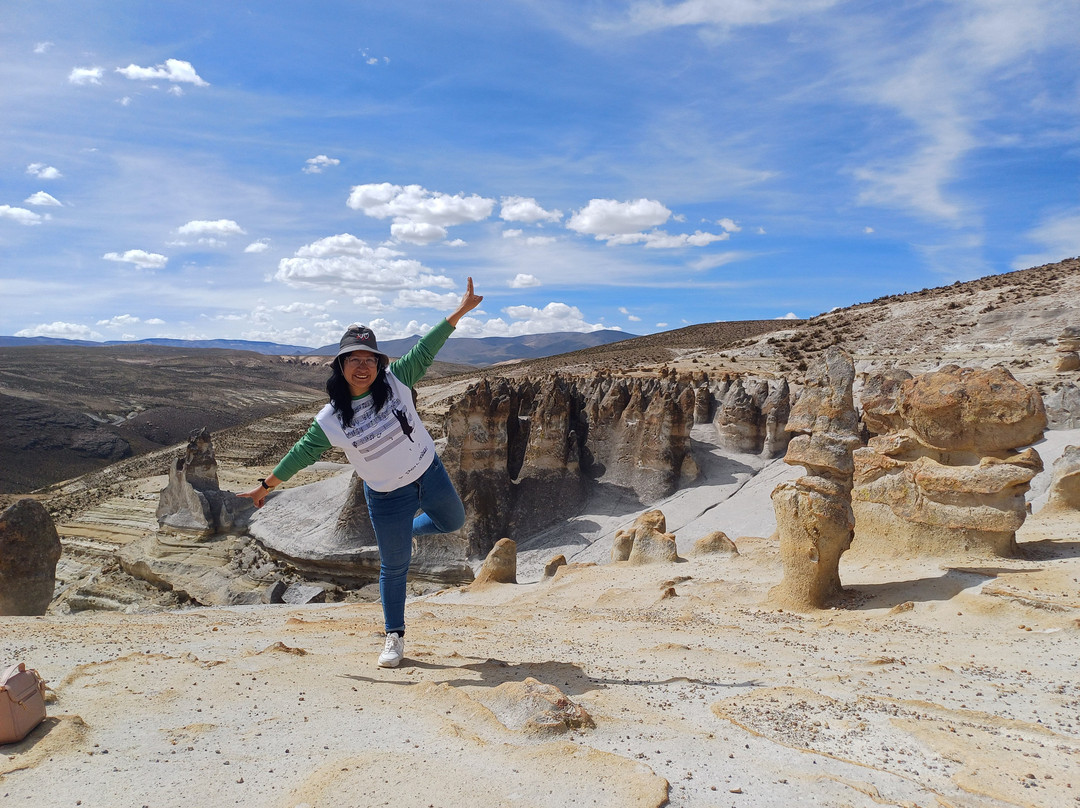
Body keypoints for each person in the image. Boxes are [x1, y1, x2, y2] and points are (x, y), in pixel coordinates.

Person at [240, 278, 483, 668]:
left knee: (453, 520)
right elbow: (303, 452)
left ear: (379, 363)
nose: (363, 366)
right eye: (354, 359)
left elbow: (425, 348)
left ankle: (403, 534)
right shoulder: (332, 418)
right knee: (395, 566)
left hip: (428, 473)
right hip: (388, 496)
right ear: (340, 365)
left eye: (369, 358)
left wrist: (459, 312)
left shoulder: (396, 381)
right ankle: (394, 636)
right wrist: (265, 486)